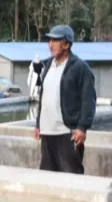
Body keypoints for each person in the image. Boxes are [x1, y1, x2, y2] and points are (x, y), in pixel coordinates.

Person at [34, 25, 96, 174]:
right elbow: (44, 97)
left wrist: (82, 127)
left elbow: (88, 100)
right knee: (47, 177)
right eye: (49, 40)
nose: (50, 45)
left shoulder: (80, 68)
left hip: (67, 134)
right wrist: (38, 124)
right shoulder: (48, 65)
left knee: (71, 176)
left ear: (67, 44)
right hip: (47, 134)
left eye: (56, 40)